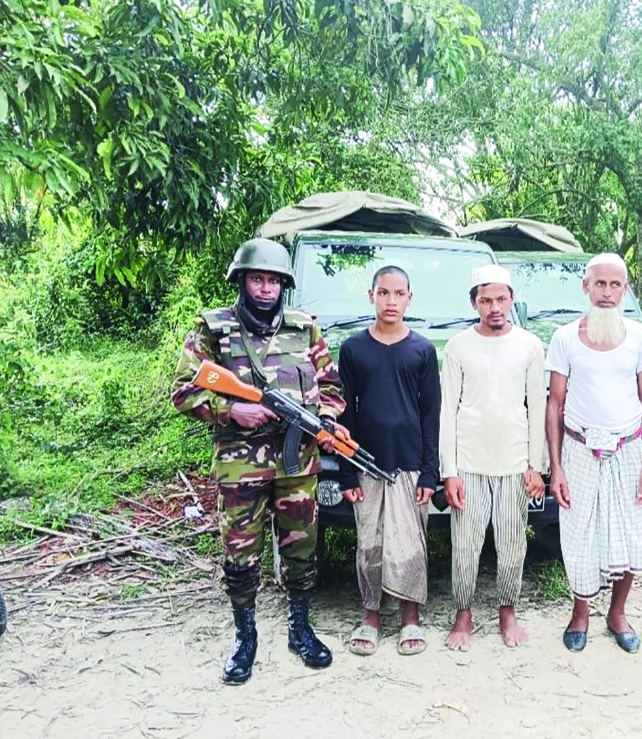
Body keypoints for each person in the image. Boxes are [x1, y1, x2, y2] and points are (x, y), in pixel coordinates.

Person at [171, 238, 345, 683]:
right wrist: (233, 410)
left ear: (283, 285)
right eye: (257, 279)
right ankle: (245, 639)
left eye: (273, 281)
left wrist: (323, 420)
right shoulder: (214, 328)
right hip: (240, 464)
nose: (266, 289)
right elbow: (184, 391)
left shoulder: (305, 328)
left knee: (301, 549)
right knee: (241, 553)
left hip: (296, 464)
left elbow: (330, 387)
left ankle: (299, 629)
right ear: (242, 281)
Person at [545, 253, 642, 653]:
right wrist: (555, 467)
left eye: (615, 285)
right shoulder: (563, 338)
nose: (607, 293)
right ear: (586, 287)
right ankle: (580, 615)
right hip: (579, 451)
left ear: (625, 288)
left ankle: (617, 613)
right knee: (579, 538)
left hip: (627, 453)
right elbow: (554, 404)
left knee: (631, 537)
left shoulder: (641, 337)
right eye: (600, 284)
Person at [440, 264, 546, 650]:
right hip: (468, 462)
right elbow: (447, 410)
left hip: (515, 463)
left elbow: (537, 407)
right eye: (486, 300)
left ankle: (507, 611)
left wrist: (537, 465)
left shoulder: (530, 346)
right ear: (474, 303)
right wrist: (448, 472)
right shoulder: (458, 347)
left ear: (512, 299)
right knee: (465, 545)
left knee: (512, 542)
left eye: (502, 299)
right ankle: (463, 614)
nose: (495, 307)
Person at [337, 265, 441, 657]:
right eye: (384, 293)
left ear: (409, 298)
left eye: (399, 294)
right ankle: (371, 616)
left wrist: (430, 471)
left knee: (410, 544)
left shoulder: (422, 351)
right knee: (371, 543)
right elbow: (345, 414)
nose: (391, 301)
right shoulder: (353, 349)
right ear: (371, 296)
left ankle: (410, 617)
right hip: (366, 464)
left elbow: (431, 414)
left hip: (410, 464)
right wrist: (347, 469)